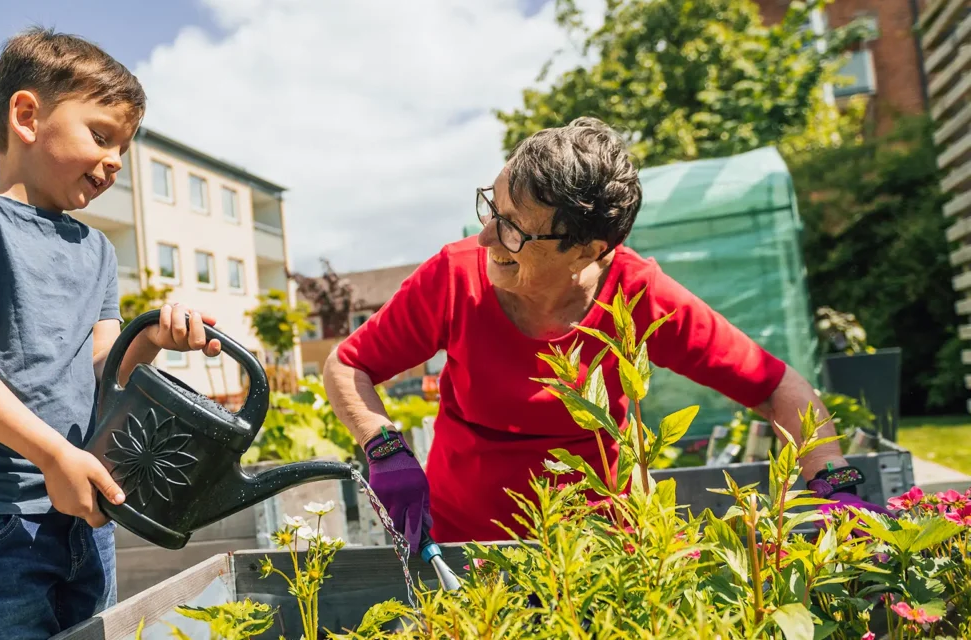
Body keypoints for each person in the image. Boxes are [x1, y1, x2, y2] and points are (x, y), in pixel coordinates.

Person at [323, 117, 889, 551]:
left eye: (515, 229)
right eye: (492, 209)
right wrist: (385, 444)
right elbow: (349, 364)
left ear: (591, 249)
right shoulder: (452, 277)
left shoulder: (638, 294)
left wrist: (832, 480)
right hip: (466, 549)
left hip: (600, 555)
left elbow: (777, 387)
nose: (488, 236)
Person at [0, 28, 221, 639]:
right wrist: (53, 454)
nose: (113, 162)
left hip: (84, 501)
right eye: (101, 136)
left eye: (122, 150)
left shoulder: (97, 248)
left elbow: (105, 365)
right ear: (26, 116)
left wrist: (152, 337)